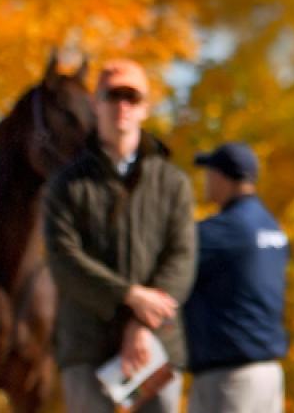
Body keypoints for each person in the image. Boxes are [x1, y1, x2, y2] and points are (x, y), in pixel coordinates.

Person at [43, 59, 197, 413]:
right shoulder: (66, 184)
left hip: (154, 345)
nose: (122, 106)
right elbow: (63, 260)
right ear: (96, 104)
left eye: (132, 97)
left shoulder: (172, 183)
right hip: (86, 345)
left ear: (145, 108)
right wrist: (128, 295)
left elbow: (182, 259)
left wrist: (141, 324)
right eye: (112, 96)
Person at [184, 142, 288, 413]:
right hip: (267, 374)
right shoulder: (270, 226)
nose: (206, 180)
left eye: (209, 173)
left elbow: (174, 257)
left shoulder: (226, 230)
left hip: (230, 378)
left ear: (221, 177)